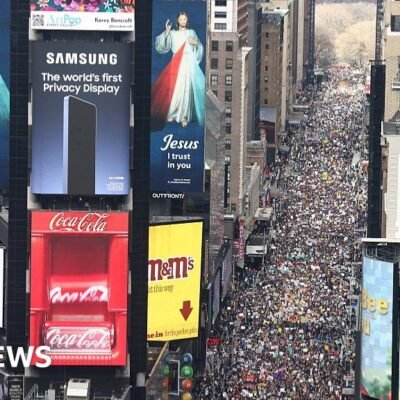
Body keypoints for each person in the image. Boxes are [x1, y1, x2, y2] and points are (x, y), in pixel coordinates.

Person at [151, 11, 205, 130]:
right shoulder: (173, 33)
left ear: (187, 20)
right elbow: (162, 45)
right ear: (177, 21)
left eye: (185, 19)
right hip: (176, 63)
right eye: (181, 19)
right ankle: (173, 112)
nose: (183, 22)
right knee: (175, 88)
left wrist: (195, 43)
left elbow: (200, 47)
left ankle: (184, 116)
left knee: (186, 89)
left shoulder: (191, 32)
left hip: (188, 63)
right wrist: (167, 31)